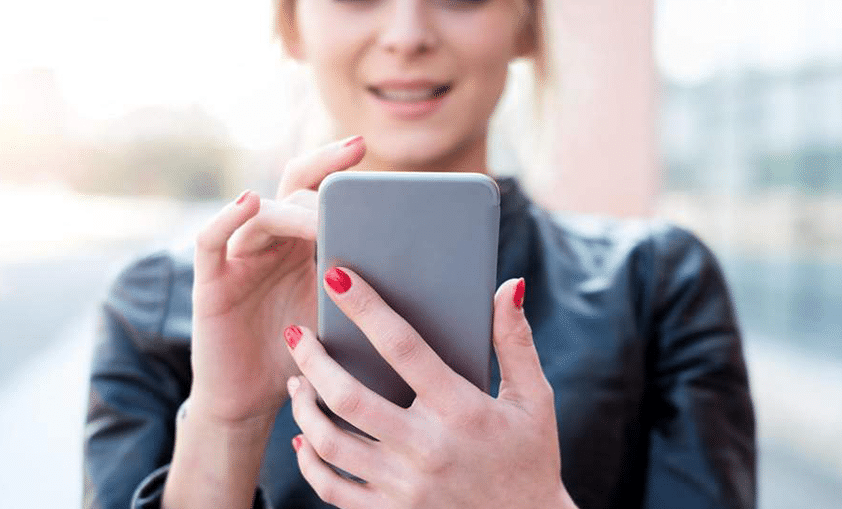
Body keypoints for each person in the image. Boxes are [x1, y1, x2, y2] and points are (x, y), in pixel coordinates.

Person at [83, 1, 756, 508]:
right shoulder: (165, 298)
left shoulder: (658, 281)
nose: (407, 34)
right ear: (292, 24)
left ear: (525, 23)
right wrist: (226, 424)